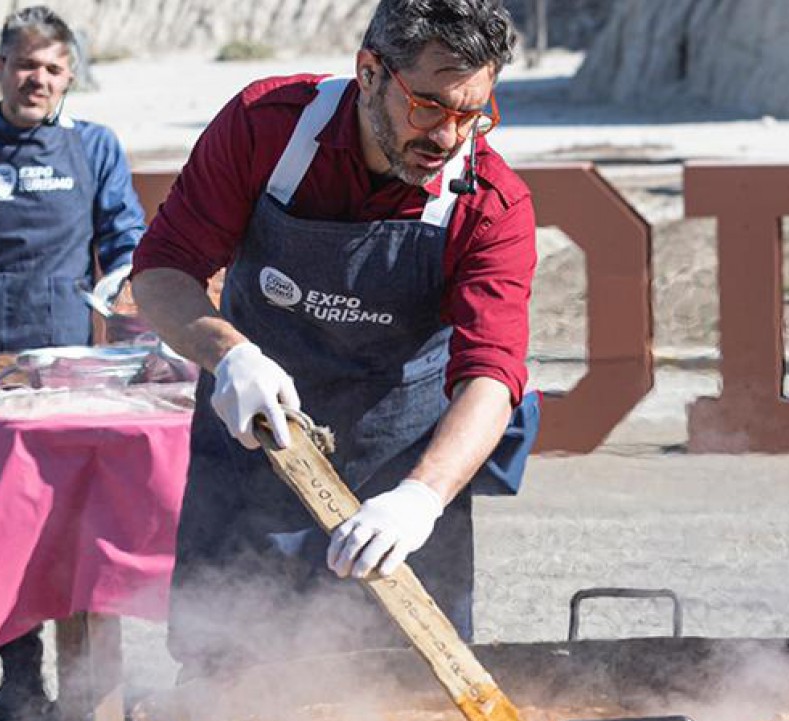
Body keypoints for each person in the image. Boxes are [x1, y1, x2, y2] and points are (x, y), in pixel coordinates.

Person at [133, 0, 537, 677]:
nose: (449, 137)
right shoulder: (268, 130)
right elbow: (162, 273)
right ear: (370, 72)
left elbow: (492, 378)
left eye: (473, 115)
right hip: (256, 449)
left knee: (405, 694)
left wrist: (421, 499)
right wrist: (228, 354)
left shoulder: (490, 203)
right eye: (431, 106)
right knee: (227, 682)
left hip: (399, 467)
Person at [0, 5, 147, 721]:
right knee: (3, 531)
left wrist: (142, 345)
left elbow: (127, 246)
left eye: (51, 68)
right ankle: (19, 684)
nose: (36, 80)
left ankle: (92, 695)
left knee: (78, 527)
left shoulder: (96, 149)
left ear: (70, 76)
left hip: (75, 377)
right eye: (24, 65)